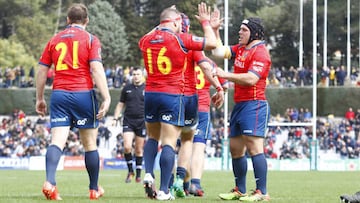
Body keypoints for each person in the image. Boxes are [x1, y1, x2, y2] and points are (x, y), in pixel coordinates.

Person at [138, 2, 217, 200]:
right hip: (173, 95)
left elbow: (152, 32)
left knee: (152, 138)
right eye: (178, 22)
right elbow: (212, 43)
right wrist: (206, 23)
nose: (181, 25)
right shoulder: (181, 39)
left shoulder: (145, 40)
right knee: (169, 143)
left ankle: (148, 173)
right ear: (174, 22)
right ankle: (164, 190)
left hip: (150, 95)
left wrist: (164, 20)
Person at [35, 3, 111, 200]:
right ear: (87, 21)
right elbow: (96, 68)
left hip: (59, 94)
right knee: (89, 144)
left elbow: (42, 70)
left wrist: (40, 98)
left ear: (67, 20)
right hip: (83, 94)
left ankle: (50, 181)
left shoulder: (54, 40)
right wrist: (107, 96)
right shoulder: (91, 39)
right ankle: (94, 189)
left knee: (57, 141)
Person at [211, 9, 272, 202]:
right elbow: (218, 51)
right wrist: (214, 30)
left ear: (253, 33)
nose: (240, 32)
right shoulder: (241, 49)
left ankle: (262, 192)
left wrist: (225, 76)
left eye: (243, 30)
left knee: (255, 148)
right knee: (236, 149)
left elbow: (251, 79)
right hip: (239, 105)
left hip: (255, 105)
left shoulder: (261, 52)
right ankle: (240, 189)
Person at [170, 12, 225, 199]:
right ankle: (195, 183)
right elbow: (214, 73)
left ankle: (177, 182)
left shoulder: (175, 53)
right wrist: (220, 89)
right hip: (200, 106)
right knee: (197, 146)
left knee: (176, 146)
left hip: (178, 102)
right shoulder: (204, 59)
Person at [112, 66, 146, 183]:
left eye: (138, 74)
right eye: (134, 74)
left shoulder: (147, 88)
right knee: (127, 146)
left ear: (142, 76)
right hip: (128, 121)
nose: (136, 76)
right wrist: (115, 117)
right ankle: (130, 171)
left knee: (138, 149)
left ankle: (138, 175)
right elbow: (120, 104)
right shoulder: (127, 88)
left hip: (142, 121)